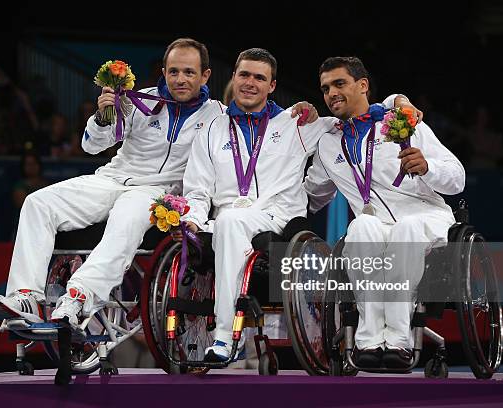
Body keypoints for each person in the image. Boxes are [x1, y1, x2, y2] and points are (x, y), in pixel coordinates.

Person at [0, 38, 316, 326]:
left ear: (205, 76)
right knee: (38, 203)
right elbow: (93, 145)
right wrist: (105, 115)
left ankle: (80, 297)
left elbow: (256, 119)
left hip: (160, 192)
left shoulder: (216, 116)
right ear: (164, 71)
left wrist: (296, 113)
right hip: (113, 178)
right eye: (174, 71)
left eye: (189, 72)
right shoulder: (138, 101)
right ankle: (25, 296)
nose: (180, 78)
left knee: (127, 217)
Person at [176, 49, 419, 362]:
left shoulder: (298, 123)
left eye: (259, 78)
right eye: (244, 75)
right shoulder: (211, 129)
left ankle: (226, 337)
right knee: (227, 221)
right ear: (234, 77)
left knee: (230, 222)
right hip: (226, 222)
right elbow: (196, 188)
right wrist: (194, 219)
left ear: (272, 85)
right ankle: (225, 334)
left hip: (278, 219)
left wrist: (397, 101)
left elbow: (358, 111)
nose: (250, 83)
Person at [303, 56, 465, 368]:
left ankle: (399, 340)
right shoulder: (327, 145)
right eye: (325, 88)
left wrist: (428, 168)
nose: (331, 93)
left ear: (362, 85)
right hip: (376, 226)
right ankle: (368, 340)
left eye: (339, 83)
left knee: (406, 229)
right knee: (361, 226)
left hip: (426, 218)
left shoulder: (402, 122)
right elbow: (311, 197)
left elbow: (457, 177)